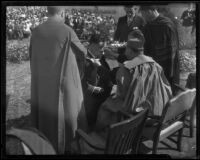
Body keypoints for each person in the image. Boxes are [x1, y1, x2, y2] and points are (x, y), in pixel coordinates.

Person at [29, 6, 88, 154]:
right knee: (67, 107)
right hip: (63, 79)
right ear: (62, 12)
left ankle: (44, 133)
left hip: (42, 79)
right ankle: (67, 140)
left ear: (47, 11)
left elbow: (32, 54)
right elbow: (82, 52)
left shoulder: (35, 31)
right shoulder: (67, 30)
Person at [95, 29, 172, 131]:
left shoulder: (127, 69)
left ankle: (104, 134)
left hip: (138, 116)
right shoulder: (155, 64)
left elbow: (122, 95)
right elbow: (165, 86)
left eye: (126, 49)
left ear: (130, 51)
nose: (125, 51)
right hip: (156, 110)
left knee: (105, 106)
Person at [140, 5, 180, 88]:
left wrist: (170, 70)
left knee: (166, 90)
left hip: (166, 65)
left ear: (149, 11)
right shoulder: (148, 25)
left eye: (143, 14)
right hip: (152, 65)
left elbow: (173, 49)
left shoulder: (167, 25)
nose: (143, 17)